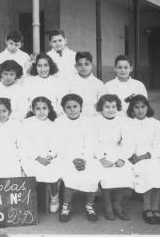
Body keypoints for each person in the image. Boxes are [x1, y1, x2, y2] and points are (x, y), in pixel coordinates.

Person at [126, 95, 160, 225]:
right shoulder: (128, 124)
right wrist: (131, 157)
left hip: (155, 155)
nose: (140, 110)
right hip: (136, 156)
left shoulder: (156, 123)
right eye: (136, 107)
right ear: (132, 109)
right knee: (147, 171)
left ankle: (155, 207)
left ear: (147, 107)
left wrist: (145, 156)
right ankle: (147, 208)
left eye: (143, 107)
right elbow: (128, 144)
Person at [53, 94, 99, 223]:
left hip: (86, 156)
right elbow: (59, 144)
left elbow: (91, 143)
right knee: (69, 174)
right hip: (66, 156)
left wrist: (84, 159)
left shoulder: (88, 122)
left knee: (93, 172)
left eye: (75, 106)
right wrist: (72, 159)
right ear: (63, 108)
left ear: (81, 107)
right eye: (68, 107)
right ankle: (66, 205)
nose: (72, 110)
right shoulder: (59, 122)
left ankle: (89, 205)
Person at [93, 94, 134, 221]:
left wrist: (122, 158)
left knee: (126, 170)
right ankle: (108, 206)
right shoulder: (94, 121)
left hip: (117, 151)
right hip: (99, 153)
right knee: (106, 174)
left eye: (113, 106)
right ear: (101, 108)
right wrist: (102, 159)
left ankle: (117, 203)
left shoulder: (122, 121)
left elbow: (129, 142)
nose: (111, 109)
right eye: (107, 107)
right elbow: (91, 142)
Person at [18, 97, 60, 213]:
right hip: (32, 157)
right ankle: (30, 200)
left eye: (44, 108)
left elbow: (56, 142)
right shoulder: (26, 123)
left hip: (49, 157)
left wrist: (50, 156)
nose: (41, 112)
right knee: (29, 170)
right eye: (38, 109)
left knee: (54, 169)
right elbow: (24, 143)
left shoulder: (53, 124)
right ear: (32, 109)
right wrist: (37, 157)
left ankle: (54, 197)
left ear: (49, 109)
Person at [0, 98, 22, 178]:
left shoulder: (16, 125)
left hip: (13, 163)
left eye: (4, 111)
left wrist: (21, 162)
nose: (1, 114)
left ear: (10, 112)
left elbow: (21, 146)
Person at [69, 52, 105, 117]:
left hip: (94, 117)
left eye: (86, 64)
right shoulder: (69, 82)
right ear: (75, 66)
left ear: (92, 65)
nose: (83, 67)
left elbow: (102, 104)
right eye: (80, 65)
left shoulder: (98, 83)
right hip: (75, 117)